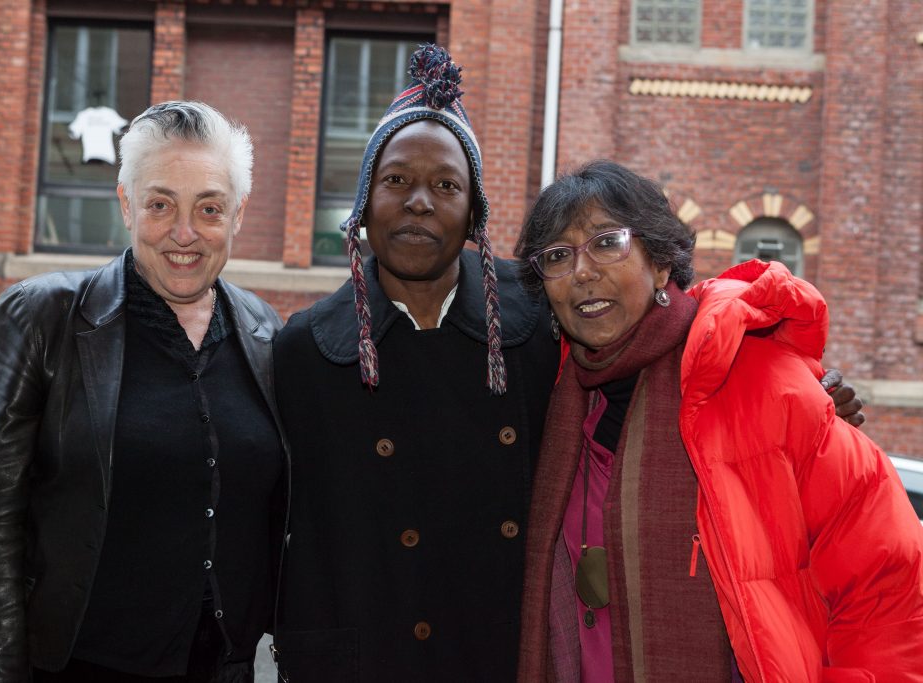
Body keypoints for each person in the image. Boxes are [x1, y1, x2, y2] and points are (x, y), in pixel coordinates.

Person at [270, 46, 863, 682]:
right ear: (362, 204)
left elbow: (658, 332)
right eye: (395, 181)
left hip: (502, 654)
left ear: (475, 214)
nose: (420, 202)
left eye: (446, 185)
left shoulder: (534, 318)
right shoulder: (305, 348)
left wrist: (774, 373)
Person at [514, 160, 923, 682]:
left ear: (660, 264)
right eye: (557, 256)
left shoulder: (765, 382)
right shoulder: (554, 401)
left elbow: (884, 592)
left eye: (607, 243)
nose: (583, 272)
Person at [0, 101, 286, 682]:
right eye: (160, 204)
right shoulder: (42, 318)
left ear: (237, 215)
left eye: (209, 208)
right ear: (127, 204)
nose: (185, 233)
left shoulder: (267, 334)